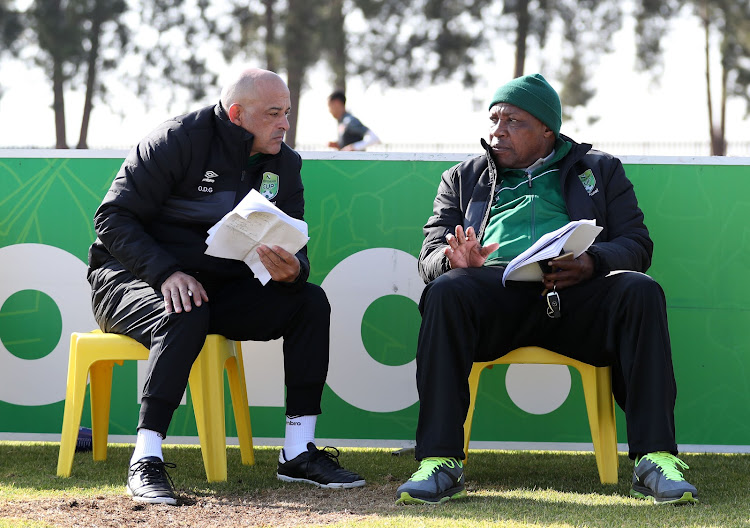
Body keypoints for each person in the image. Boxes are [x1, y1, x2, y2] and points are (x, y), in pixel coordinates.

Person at [395, 74, 698, 506]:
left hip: (576, 296)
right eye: (494, 119)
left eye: (513, 121)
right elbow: (429, 253)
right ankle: (440, 461)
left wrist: (592, 263)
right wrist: (452, 261)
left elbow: (637, 243)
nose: (497, 130)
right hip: (497, 297)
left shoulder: (599, 170)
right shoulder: (463, 178)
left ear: (546, 131)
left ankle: (654, 459)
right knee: (446, 290)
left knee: (640, 290)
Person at [87, 68, 365, 506]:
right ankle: (145, 457)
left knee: (309, 301)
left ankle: (297, 451)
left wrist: (294, 270)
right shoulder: (177, 139)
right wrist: (165, 274)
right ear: (237, 114)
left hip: (220, 285)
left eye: (288, 113)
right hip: (128, 278)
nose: (285, 124)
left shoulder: (285, 163)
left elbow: (296, 242)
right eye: (274, 113)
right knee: (186, 303)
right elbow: (113, 218)